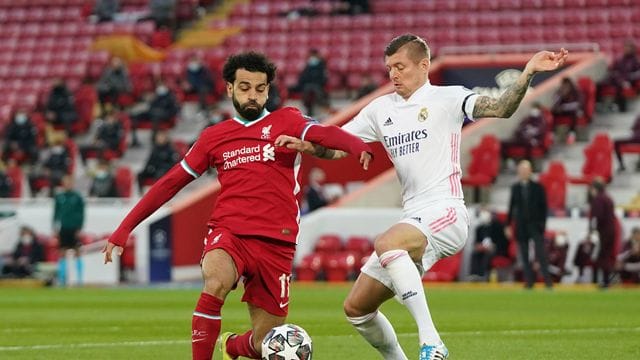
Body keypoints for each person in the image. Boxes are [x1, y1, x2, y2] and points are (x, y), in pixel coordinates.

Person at [276, 34, 567, 359]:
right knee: (357, 309)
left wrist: (527, 72)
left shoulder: (449, 98)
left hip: (447, 211)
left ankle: (431, 342)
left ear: (424, 65)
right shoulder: (380, 109)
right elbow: (338, 146)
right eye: (389, 68)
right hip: (413, 219)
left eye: (400, 66)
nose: (393, 75)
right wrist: (309, 146)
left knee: (387, 243)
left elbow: (501, 108)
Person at [101, 51, 373, 360]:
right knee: (216, 281)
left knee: (266, 343)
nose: (252, 95)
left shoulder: (287, 119)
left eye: (259, 88)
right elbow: (169, 184)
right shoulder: (213, 137)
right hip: (230, 231)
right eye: (244, 87)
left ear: (268, 90)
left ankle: (232, 346)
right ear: (230, 88)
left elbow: (324, 133)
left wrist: (357, 145)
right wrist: (124, 229)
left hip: (277, 241)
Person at [507, 160, 553, 290]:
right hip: (521, 226)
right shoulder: (515, 188)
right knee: (524, 255)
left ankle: (547, 281)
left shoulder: (538, 187)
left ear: (530, 171)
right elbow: (511, 207)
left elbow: (543, 208)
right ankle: (529, 281)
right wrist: (508, 225)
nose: (523, 172)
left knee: (541, 253)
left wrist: (542, 225)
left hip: (535, 225)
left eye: (525, 170)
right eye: (521, 170)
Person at [54, 175, 85, 286]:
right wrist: (55, 227)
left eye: (69, 182)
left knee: (77, 252)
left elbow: (82, 213)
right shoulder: (59, 197)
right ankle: (62, 279)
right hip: (63, 228)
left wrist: (79, 227)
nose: (68, 184)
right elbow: (56, 213)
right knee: (62, 252)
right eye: (65, 182)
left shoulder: (77, 197)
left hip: (74, 228)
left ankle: (79, 279)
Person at [588, 179, 616, 288]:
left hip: (603, 232)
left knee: (601, 257)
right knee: (607, 256)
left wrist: (592, 230)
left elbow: (597, 217)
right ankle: (607, 280)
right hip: (611, 230)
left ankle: (604, 281)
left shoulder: (598, 199)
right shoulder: (608, 198)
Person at [599, 40, 640, 112]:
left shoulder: (635, 61)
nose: (626, 49)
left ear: (632, 49)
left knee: (621, 84)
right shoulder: (620, 59)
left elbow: (637, 74)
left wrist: (628, 80)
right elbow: (613, 70)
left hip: (627, 80)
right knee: (601, 82)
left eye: (628, 47)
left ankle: (620, 107)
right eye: (625, 47)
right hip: (617, 79)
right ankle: (600, 104)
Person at [469, 209, 508, 280]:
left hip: (495, 249)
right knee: (474, 254)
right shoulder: (479, 228)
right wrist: (478, 246)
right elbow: (476, 242)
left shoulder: (497, 226)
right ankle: (474, 274)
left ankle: (482, 275)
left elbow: (502, 241)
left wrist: (493, 246)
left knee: (486, 255)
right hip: (482, 249)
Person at [290, 49, 329, 116]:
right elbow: (302, 78)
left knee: (313, 89)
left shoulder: (322, 66)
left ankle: (322, 105)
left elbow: (323, 79)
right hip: (307, 85)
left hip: (318, 85)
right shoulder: (307, 66)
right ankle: (308, 108)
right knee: (307, 89)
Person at [551, 77, 583, 144]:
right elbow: (555, 101)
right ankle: (552, 134)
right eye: (563, 85)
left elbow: (577, 104)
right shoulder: (560, 91)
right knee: (552, 112)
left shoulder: (575, 92)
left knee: (574, 114)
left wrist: (564, 107)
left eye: (566, 85)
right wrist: (561, 95)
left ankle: (572, 134)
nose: (565, 86)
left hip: (572, 110)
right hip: (563, 110)